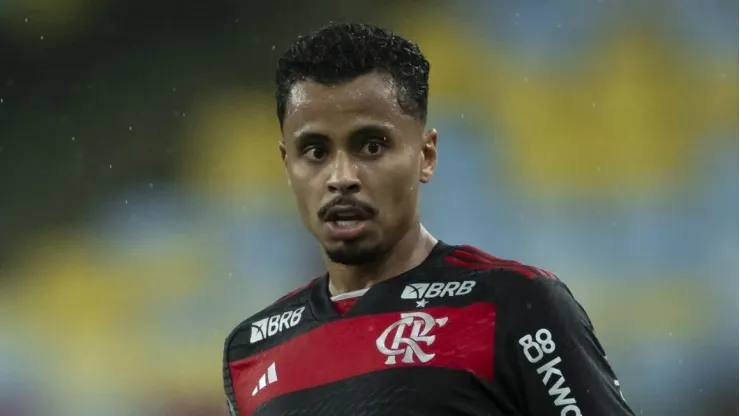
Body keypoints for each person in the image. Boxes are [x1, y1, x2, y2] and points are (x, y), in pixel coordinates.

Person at [222, 22, 634, 416]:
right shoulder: (251, 349)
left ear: (426, 155)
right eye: (315, 152)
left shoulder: (511, 305)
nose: (342, 178)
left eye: (371, 146)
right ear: (286, 164)